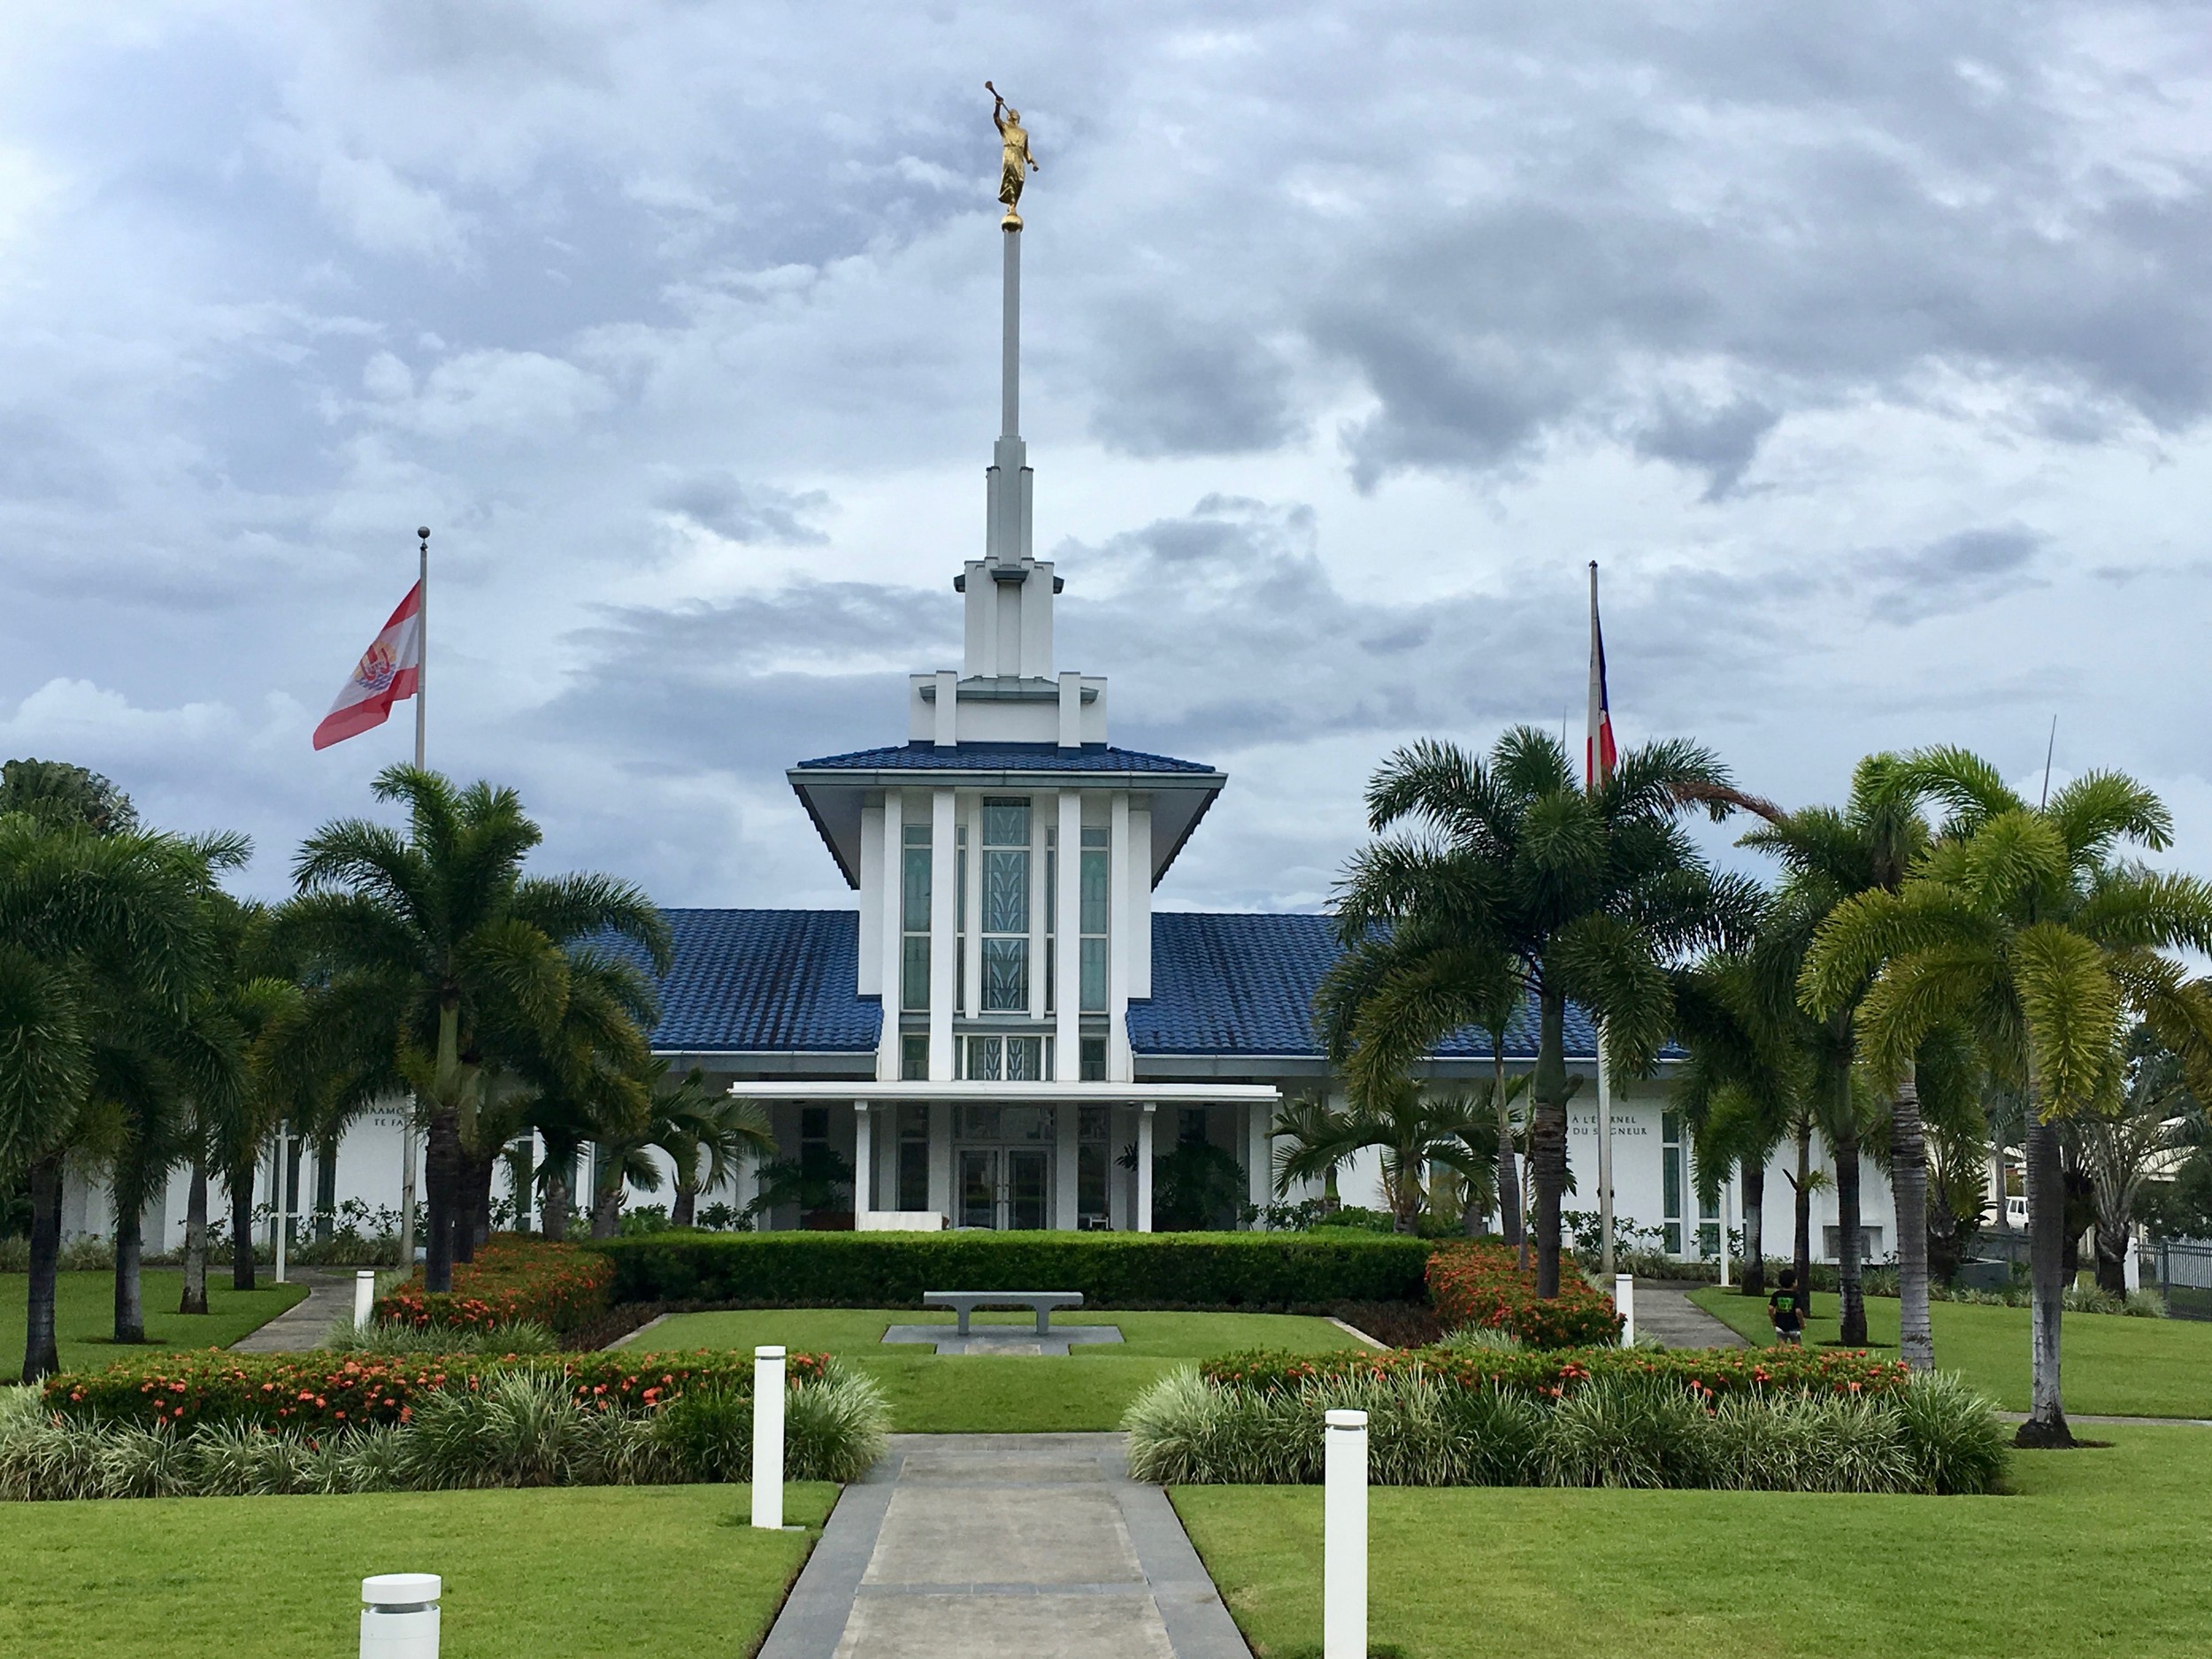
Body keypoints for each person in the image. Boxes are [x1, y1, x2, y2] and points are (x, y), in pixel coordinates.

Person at [1769, 1269, 1807, 1346]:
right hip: (1794, 1326)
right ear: (1793, 1283)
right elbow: (1798, 1311)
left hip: (1780, 1325)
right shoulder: (1796, 1295)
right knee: (1797, 1348)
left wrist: (1773, 1320)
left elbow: (1771, 1308)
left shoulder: (1777, 1294)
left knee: (1781, 1348)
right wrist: (1802, 1323)